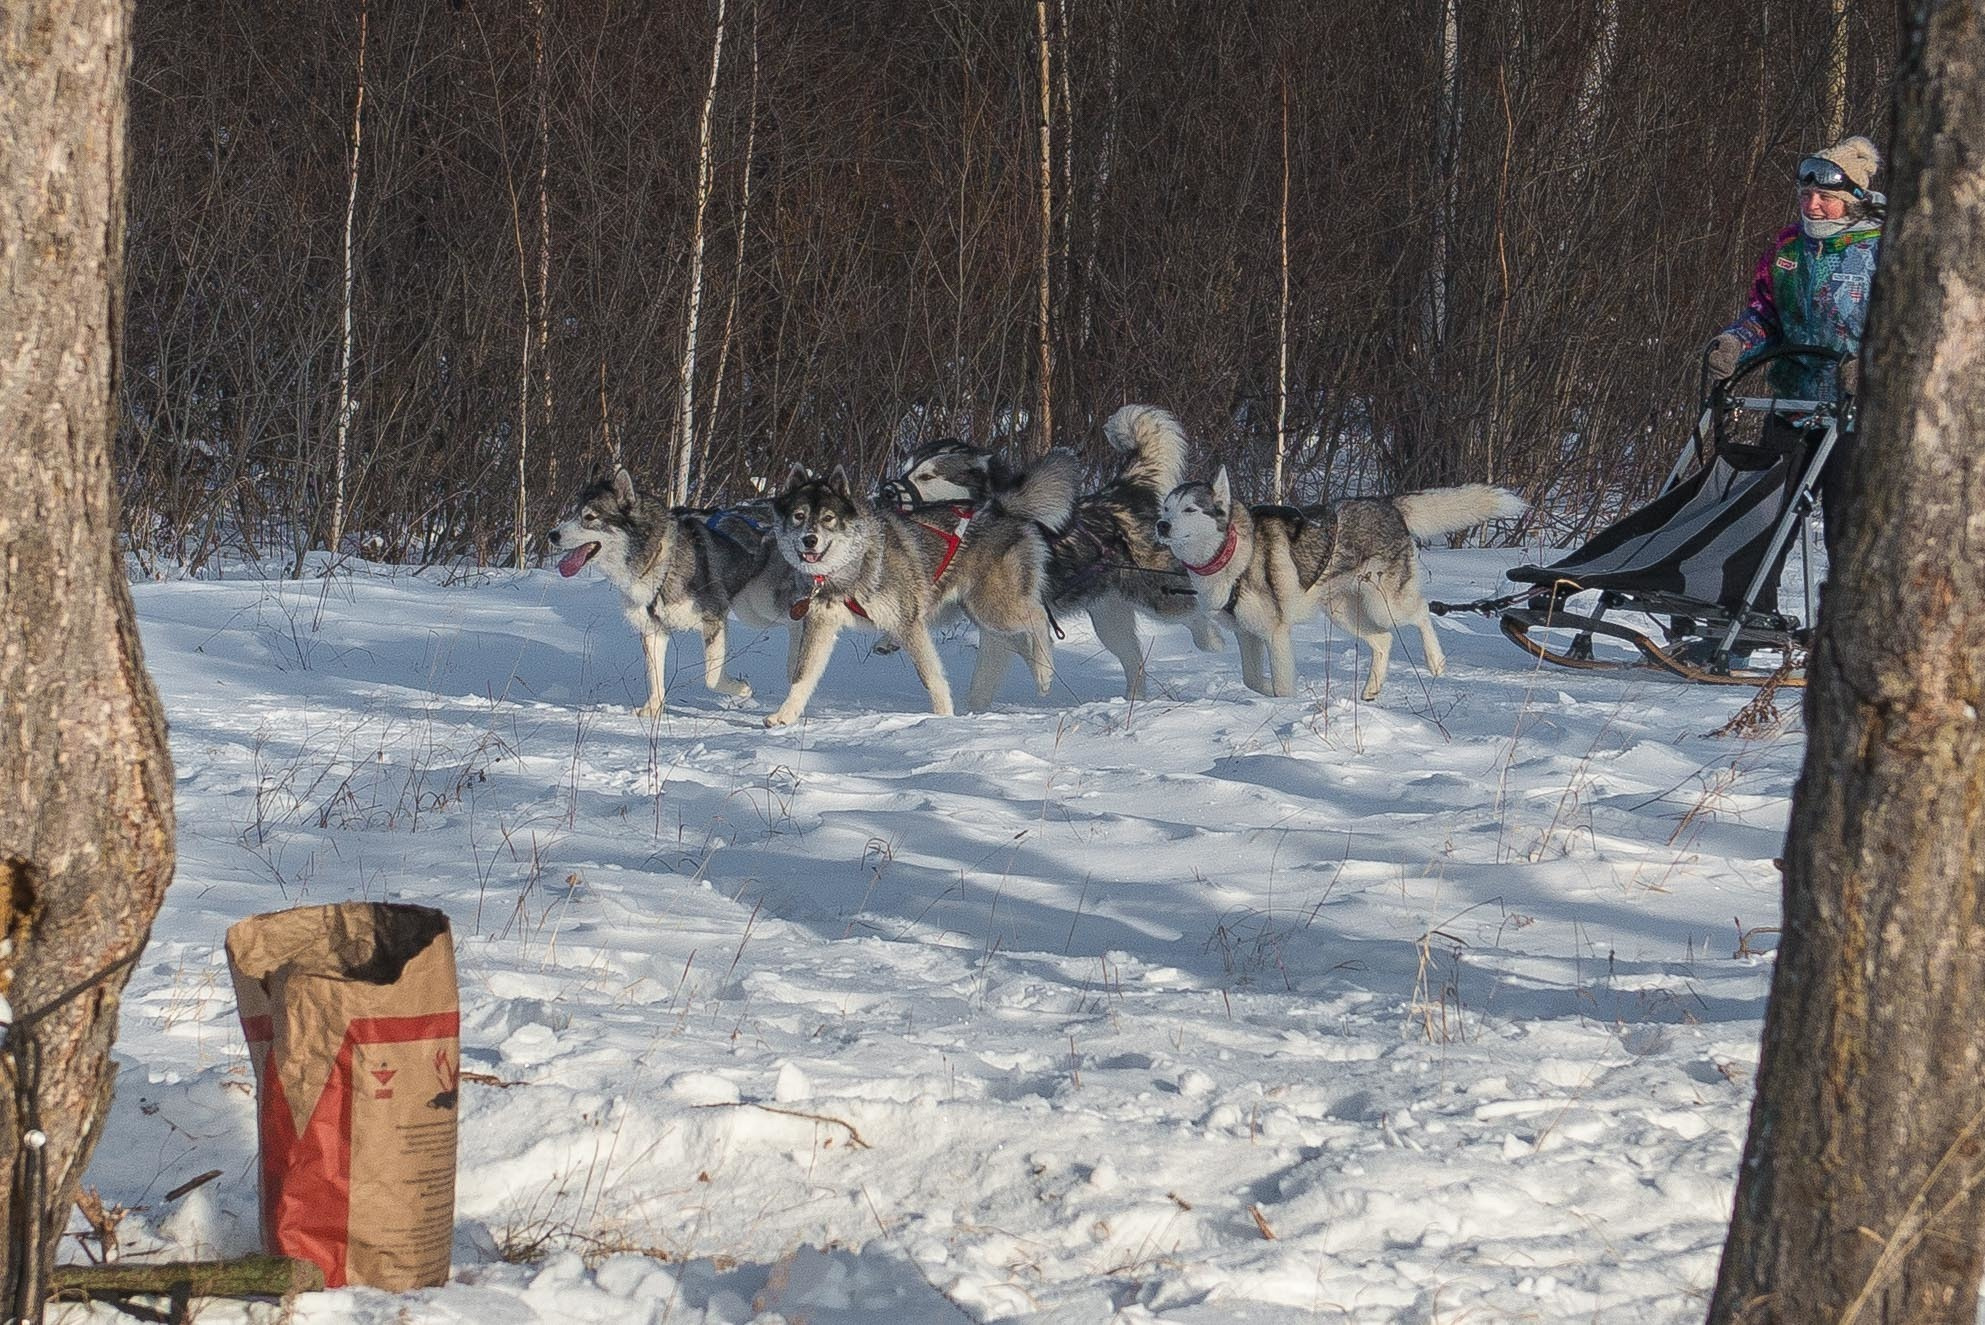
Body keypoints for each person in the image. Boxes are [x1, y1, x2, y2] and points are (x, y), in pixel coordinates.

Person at [1706, 135, 1883, 563]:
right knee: (1762, 524)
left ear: (1853, 200)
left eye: (1825, 198)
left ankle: (1845, 608)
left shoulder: (1885, 249)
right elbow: (1766, 314)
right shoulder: (1788, 249)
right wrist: (1735, 342)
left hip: (1859, 419)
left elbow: (1906, 333)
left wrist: (1870, 367)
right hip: (1793, 407)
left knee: (1849, 534)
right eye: (1806, 195)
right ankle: (1750, 601)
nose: (1812, 205)